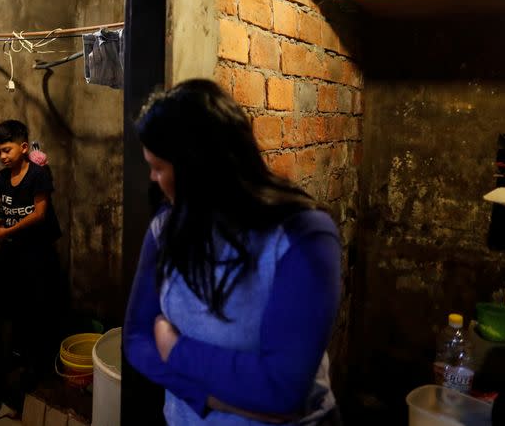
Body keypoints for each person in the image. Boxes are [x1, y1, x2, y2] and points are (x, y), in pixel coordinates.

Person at [124, 79, 343, 425]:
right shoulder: (167, 228)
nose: (153, 178)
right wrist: (208, 398)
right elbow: (136, 338)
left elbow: (281, 388)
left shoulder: (301, 237)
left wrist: (175, 349)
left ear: (197, 167)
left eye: (159, 168)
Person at [0, 119, 63, 396]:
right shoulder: (1, 179)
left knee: (40, 308)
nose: (2, 156)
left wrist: (7, 230)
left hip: (38, 252)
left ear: (24, 148)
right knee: (17, 309)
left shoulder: (38, 175)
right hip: (13, 253)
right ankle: (22, 361)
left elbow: (39, 214)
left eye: (7, 150)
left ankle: (39, 366)